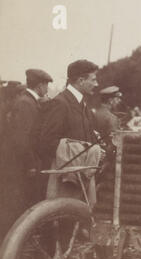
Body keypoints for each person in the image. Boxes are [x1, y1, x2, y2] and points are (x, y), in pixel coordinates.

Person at [0, 69, 52, 240]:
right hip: (19, 167)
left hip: (20, 165)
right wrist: (31, 164)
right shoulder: (26, 104)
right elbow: (22, 139)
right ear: (40, 85)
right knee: (14, 208)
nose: (47, 90)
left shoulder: (29, 101)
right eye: (46, 86)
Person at [38, 59, 101, 201]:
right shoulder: (60, 103)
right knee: (65, 218)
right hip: (66, 179)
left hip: (82, 174)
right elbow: (46, 141)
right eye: (93, 80)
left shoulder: (83, 104)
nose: (96, 84)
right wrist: (75, 152)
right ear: (81, 80)